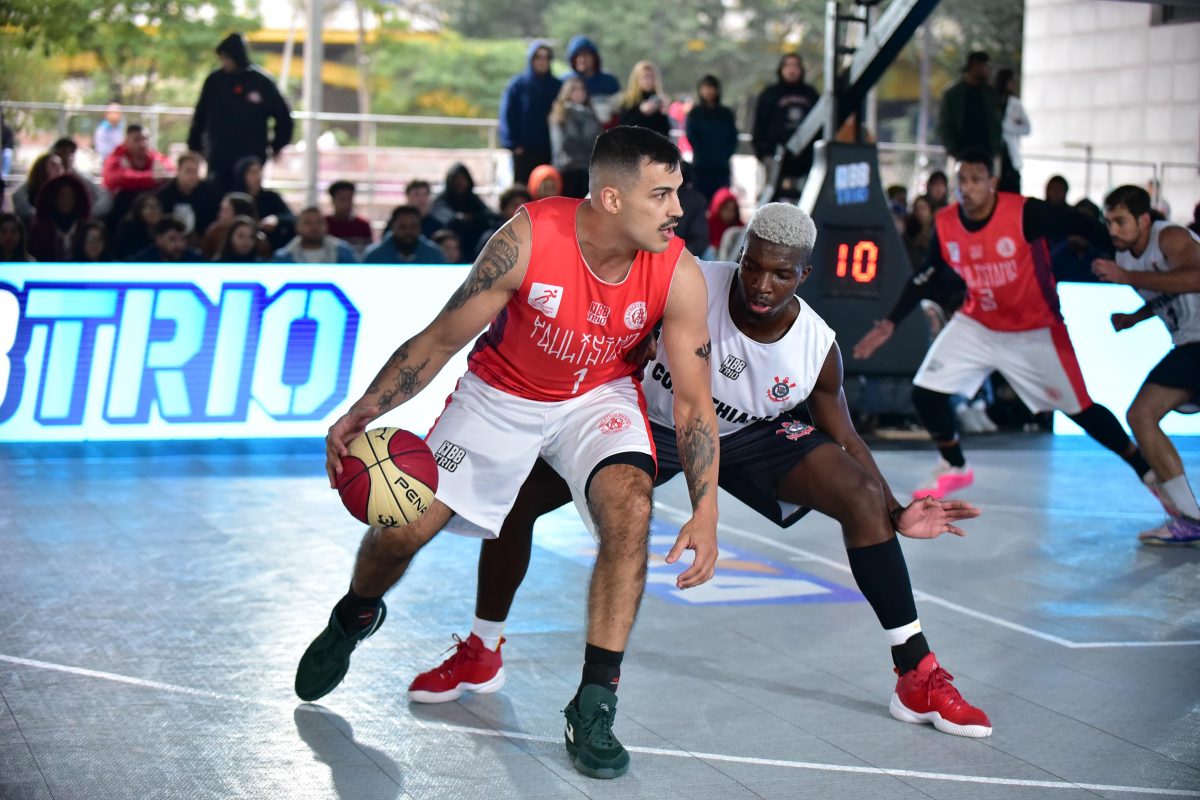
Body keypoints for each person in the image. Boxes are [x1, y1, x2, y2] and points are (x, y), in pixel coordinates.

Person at [407, 204, 992, 744]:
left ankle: (916, 673)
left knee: (860, 494)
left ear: (805, 275)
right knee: (515, 500)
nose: (762, 285)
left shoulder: (817, 348)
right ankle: (482, 650)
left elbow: (846, 436)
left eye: (781, 274)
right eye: (753, 267)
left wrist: (894, 509)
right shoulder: (686, 281)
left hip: (750, 435)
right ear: (740, 255)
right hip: (656, 422)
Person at [294, 126, 721, 782]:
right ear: (612, 198)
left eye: (677, 192)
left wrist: (706, 507)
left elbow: (692, 403)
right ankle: (354, 614)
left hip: (597, 398)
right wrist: (364, 411)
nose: (677, 209)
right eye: (661, 194)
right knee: (401, 529)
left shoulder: (678, 271)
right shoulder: (528, 239)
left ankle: (595, 702)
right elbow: (440, 339)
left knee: (630, 510)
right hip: (500, 395)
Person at [853, 149, 1160, 504]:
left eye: (976, 180)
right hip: (978, 323)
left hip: (1035, 328)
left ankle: (1144, 469)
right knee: (925, 392)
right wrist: (892, 321)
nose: (967, 188)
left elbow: (1081, 224)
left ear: (992, 183)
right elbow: (926, 275)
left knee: (1080, 410)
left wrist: (1126, 259)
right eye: (961, 180)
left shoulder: (1025, 213)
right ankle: (954, 465)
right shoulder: (947, 222)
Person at [1092, 185, 1200, 545]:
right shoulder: (1125, 256)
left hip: (1196, 344)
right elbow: (1168, 291)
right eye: (1108, 222)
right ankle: (1190, 517)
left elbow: (1196, 278)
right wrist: (1136, 317)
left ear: (1143, 220)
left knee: (1141, 415)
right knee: (1141, 416)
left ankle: (1191, 518)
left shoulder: (1169, 237)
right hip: (1189, 344)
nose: (1113, 230)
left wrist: (1129, 279)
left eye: (1120, 221)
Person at [187, 33, 294, 193]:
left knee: (247, 193)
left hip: (251, 153)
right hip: (219, 153)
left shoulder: (261, 82)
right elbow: (200, 115)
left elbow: (283, 116)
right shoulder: (215, 81)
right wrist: (194, 145)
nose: (224, 63)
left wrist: (277, 144)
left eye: (227, 58)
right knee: (216, 192)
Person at [751, 53, 820, 197]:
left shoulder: (811, 94)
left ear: (801, 69)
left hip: (805, 160)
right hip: (774, 158)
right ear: (781, 69)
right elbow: (758, 124)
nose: (791, 70)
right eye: (788, 65)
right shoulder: (770, 94)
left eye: (795, 66)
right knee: (771, 200)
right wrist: (762, 153)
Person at [498, 40, 561, 186]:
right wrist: (513, 144)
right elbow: (507, 115)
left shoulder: (557, 86)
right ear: (531, 59)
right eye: (538, 57)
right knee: (522, 190)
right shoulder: (518, 85)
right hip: (524, 150)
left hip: (549, 150)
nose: (542, 61)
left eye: (546, 57)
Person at [936, 52, 1002, 164]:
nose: (987, 71)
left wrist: (995, 149)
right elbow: (944, 125)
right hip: (961, 153)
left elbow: (996, 124)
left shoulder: (990, 94)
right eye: (985, 66)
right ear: (974, 65)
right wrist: (952, 150)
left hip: (986, 153)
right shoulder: (953, 94)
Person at [686, 74, 739, 202]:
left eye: (711, 87)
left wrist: (725, 155)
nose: (709, 91)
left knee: (721, 203)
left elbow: (733, 136)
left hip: (721, 168)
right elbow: (692, 136)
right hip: (701, 168)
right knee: (700, 202)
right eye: (705, 88)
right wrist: (704, 153)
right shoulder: (695, 113)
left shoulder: (726, 114)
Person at [549, 76, 602, 199]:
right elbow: (561, 144)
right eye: (574, 89)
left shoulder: (591, 115)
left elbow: (598, 141)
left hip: (589, 170)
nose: (579, 92)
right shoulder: (560, 114)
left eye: (582, 89)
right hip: (567, 169)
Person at [233, 156, 295, 250]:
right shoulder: (235, 198)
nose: (257, 176)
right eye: (252, 172)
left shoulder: (271, 196)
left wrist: (276, 219)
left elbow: (291, 217)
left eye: (259, 172)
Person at [156, 153, 221, 242]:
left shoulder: (210, 192)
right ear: (178, 170)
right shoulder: (164, 194)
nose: (192, 176)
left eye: (195, 172)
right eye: (188, 171)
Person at [430, 163, 495, 252]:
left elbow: (489, 215)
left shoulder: (473, 199)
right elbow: (444, 216)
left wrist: (472, 218)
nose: (459, 183)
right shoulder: (442, 200)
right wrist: (459, 218)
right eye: (456, 179)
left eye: (463, 179)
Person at [28, 173, 93, 262]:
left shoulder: (85, 228)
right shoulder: (39, 230)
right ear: (54, 199)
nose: (66, 200)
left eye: (70, 196)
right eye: (62, 195)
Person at [51, 137, 112, 220]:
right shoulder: (47, 178)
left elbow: (104, 195)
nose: (66, 157)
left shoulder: (80, 178)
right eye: (62, 152)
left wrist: (89, 213)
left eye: (70, 152)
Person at [564, 36, 620, 125]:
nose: (582, 59)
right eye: (578, 55)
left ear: (594, 57)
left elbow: (618, 110)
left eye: (586, 55)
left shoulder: (609, 80)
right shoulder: (565, 81)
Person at [362, 205, 445, 265]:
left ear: (420, 227)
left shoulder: (434, 255)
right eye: (402, 227)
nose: (408, 232)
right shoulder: (374, 256)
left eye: (413, 227)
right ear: (392, 227)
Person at [274, 206, 359, 263]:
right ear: (297, 227)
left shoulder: (344, 252)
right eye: (307, 223)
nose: (314, 227)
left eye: (319, 222)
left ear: (326, 226)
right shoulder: (284, 256)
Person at [996, 68, 1030, 194]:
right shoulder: (992, 101)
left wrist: (1006, 127)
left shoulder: (1015, 104)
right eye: (1011, 81)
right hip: (996, 152)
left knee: (1011, 189)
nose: (1013, 84)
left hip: (1010, 155)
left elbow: (1027, 128)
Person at [617, 61, 671, 140]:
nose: (649, 80)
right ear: (637, 79)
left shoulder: (658, 100)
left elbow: (665, 132)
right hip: (634, 143)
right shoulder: (629, 100)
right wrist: (640, 112)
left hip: (653, 143)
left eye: (652, 77)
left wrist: (664, 113)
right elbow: (623, 127)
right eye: (645, 77)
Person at [12, 153, 65, 227]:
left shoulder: (64, 192)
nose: (58, 169)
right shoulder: (28, 191)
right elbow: (18, 196)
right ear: (42, 169)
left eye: (60, 165)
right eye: (53, 165)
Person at [325, 180, 373, 253]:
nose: (347, 204)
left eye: (350, 199)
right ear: (333, 201)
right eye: (342, 200)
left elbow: (368, 253)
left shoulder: (362, 225)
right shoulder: (324, 224)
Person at [112, 193, 163, 260]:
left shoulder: (164, 228)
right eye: (149, 207)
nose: (155, 211)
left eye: (157, 206)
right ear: (139, 210)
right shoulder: (128, 229)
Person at [131, 217, 204, 262]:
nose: (179, 244)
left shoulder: (196, 262)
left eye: (182, 239)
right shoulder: (141, 263)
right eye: (172, 239)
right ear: (159, 240)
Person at [706, 187, 741, 257]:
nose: (731, 213)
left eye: (734, 210)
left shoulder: (739, 229)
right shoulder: (707, 227)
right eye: (727, 209)